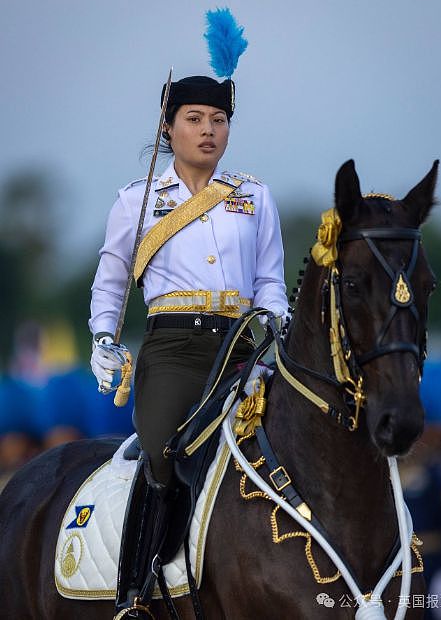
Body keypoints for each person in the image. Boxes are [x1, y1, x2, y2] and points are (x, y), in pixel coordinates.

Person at [89, 74, 288, 615]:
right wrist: (103, 337)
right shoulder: (137, 200)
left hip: (242, 347)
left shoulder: (255, 195)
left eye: (218, 120)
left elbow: (270, 280)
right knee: (161, 456)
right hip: (173, 348)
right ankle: (136, 589)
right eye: (195, 119)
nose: (208, 131)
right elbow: (110, 279)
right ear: (168, 126)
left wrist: (275, 319)